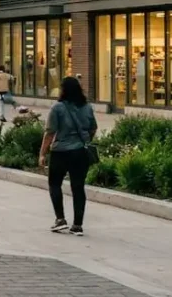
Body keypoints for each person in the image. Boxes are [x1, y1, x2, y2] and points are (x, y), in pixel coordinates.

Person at [40, 76, 97, 236]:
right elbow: (93, 128)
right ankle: (77, 225)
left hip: (60, 152)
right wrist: (85, 141)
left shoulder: (57, 108)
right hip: (80, 152)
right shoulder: (87, 107)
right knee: (78, 187)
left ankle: (60, 219)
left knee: (55, 184)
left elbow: (50, 133)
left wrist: (42, 153)